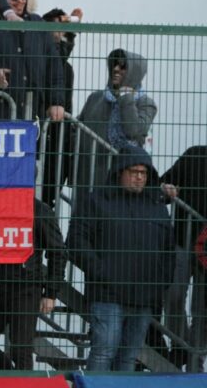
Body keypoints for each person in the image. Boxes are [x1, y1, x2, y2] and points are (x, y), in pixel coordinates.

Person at [67, 145, 175, 371]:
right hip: (107, 294)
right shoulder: (95, 201)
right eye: (133, 172)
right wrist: (101, 272)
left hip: (144, 297)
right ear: (119, 172)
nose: (139, 178)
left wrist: (160, 284)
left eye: (143, 173)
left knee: (128, 358)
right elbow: (76, 241)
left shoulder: (156, 206)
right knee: (104, 352)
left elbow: (168, 250)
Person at [0, 198, 67, 370]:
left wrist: (50, 293)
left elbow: (58, 252)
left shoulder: (38, 210)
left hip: (26, 288)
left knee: (21, 350)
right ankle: (10, 379)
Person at [73, 48, 157, 195]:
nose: (116, 69)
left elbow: (133, 130)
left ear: (134, 72)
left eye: (123, 65)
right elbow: (77, 131)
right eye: (114, 64)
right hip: (88, 177)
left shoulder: (146, 104)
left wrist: (125, 95)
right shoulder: (95, 98)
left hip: (119, 181)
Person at [159, 146, 207, 370]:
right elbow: (163, 185)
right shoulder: (195, 154)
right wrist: (166, 189)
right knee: (173, 296)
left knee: (202, 310)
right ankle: (182, 346)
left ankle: (195, 359)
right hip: (183, 242)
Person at [40, 6, 83, 208]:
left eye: (61, 29)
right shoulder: (38, 57)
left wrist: (71, 30)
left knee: (49, 196)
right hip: (42, 134)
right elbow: (55, 59)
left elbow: (60, 58)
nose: (58, 34)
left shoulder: (66, 68)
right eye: (54, 28)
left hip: (59, 137)